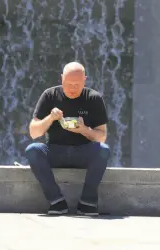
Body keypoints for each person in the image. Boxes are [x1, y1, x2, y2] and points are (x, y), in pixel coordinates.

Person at [25, 62, 111, 216]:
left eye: (77, 85)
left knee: (103, 150)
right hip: (55, 150)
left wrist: (84, 130)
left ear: (85, 80)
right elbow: (33, 132)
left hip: (83, 151)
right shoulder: (50, 95)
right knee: (33, 150)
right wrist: (51, 118)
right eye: (68, 84)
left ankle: (87, 202)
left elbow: (102, 137)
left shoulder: (93, 98)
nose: (72, 88)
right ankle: (56, 201)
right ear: (61, 79)